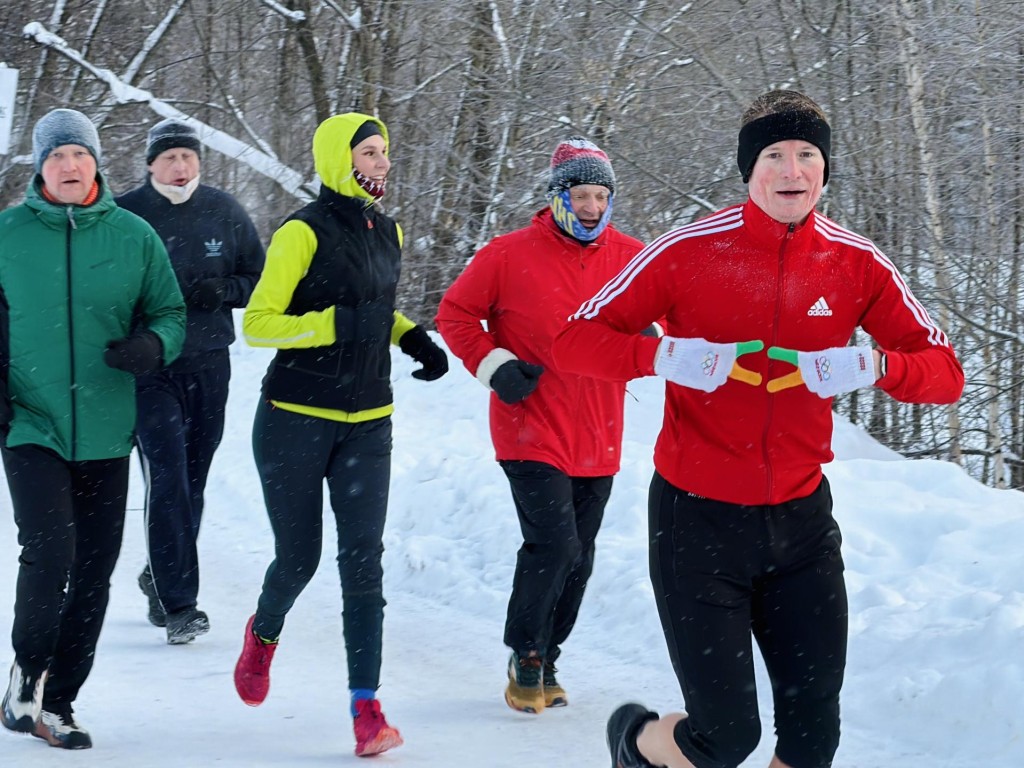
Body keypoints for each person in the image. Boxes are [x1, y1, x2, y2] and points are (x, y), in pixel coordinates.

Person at [551, 91, 965, 768]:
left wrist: (872, 364)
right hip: (697, 524)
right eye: (774, 155)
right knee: (724, 739)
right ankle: (635, 741)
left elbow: (946, 373)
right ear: (750, 169)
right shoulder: (687, 250)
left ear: (825, 169)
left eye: (807, 154)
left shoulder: (856, 261)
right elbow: (573, 340)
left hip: (801, 526)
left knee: (811, 741)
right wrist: (665, 355)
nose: (791, 170)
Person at [231, 112, 448, 757]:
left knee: (362, 563)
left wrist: (410, 335)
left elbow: (375, 308)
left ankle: (366, 708)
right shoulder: (301, 231)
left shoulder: (389, 230)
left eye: (384, 151)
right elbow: (259, 323)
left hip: (368, 422)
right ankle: (264, 632)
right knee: (299, 558)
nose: (383, 162)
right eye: (370, 152)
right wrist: (334, 325)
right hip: (294, 418)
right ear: (339, 159)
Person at [435, 137, 647, 715]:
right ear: (558, 196)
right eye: (580, 195)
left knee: (580, 555)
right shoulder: (507, 254)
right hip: (529, 425)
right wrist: (493, 365)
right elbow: (455, 314)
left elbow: (665, 313)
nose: (591, 208)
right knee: (554, 543)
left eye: (601, 196)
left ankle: (549, 654)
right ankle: (526, 652)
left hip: (599, 428)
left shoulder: (632, 256)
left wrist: (650, 337)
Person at [0, 108, 185, 749]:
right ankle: (28, 671)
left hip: (108, 426)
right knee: (51, 551)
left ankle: (59, 702)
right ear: (39, 167)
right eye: (56, 156)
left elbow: (170, 312)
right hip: (31, 422)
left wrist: (152, 346)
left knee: (96, 568)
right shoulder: (8, 234)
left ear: (97, 162)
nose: (69, 165)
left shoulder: (133, 236)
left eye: (79, 154)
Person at [115, 118, 265, 644]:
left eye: (188, 157)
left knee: (192, 482)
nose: (180, 166)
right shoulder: (126, 214)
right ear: (151, 164)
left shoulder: (224, 210)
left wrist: (224, 290)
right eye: (170, 157)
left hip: (210, 363)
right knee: (168, 476)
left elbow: (257, 277)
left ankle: (160, 574)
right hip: (152, 368)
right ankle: (180, 605)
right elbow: (103, 286)